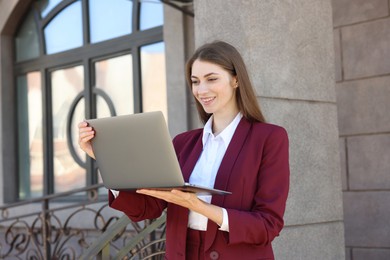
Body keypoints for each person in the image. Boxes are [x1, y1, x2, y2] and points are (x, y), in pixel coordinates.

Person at [78, 40, 290, 259]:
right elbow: (147, 207)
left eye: (212, 79)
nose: (201, 90)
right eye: (195, 81)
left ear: (236, 79)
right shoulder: (183, 143)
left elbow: (268, 225)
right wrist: (104, 157)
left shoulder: (269, 138)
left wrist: (196, 205)